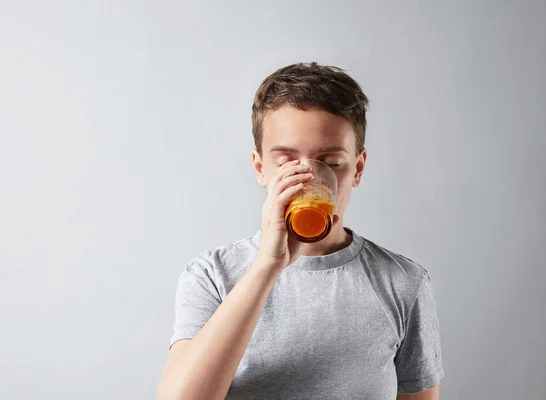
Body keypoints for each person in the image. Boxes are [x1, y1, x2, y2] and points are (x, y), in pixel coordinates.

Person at [156, 62, 444, 400]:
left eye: (331, 163)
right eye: (286, 164)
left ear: (357, 168)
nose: (307, 179)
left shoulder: (402, 282)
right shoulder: (211, 276)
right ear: (261, 168)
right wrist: (267, 266)